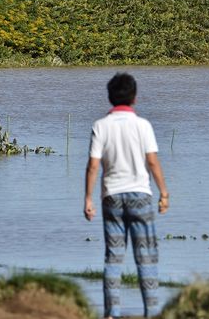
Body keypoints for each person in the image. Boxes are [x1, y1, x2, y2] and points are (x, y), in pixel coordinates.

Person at [84, 73, 169, 319]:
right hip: (140, 195)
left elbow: (92, 166)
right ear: (134, 97)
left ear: (110, 97)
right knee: (146, 258)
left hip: (111, 197)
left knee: (114, 257)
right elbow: (152, 162)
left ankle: (112, 314)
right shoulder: (143, 125)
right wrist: (164, 193)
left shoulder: (100, 126)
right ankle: (151, 312)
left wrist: (88, 199)